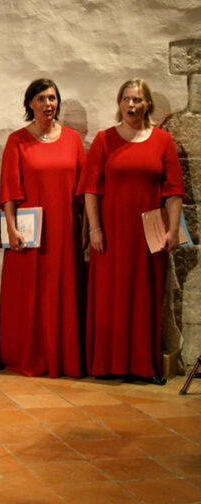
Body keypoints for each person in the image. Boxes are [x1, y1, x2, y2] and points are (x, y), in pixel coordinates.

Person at [84, 78, 184, 385]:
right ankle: (106, 364)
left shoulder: (163, 141)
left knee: (145, 297)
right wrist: (95, 229)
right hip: (112, 231)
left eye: (137, 100)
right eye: (126, 99)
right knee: (110, 296)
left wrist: (172, 231)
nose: (131, 105)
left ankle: (144, 365)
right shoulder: (104, 139)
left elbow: (174, 192)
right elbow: (91, 190)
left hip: (149, 233)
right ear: (119, 103)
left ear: (148, 104)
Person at [0, 78, 85, 378]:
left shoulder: (73, 139)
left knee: (60, 291)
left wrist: (86, 228)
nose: (48, 104)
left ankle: (62, 356)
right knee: (31, 295)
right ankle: (29, 354)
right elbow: (8, 191)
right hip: (29, 231)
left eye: (52, 98)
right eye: (41, 99)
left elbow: (84, 190)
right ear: (30, 104)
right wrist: (10, 229)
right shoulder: (17, 140)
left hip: (64, 228)